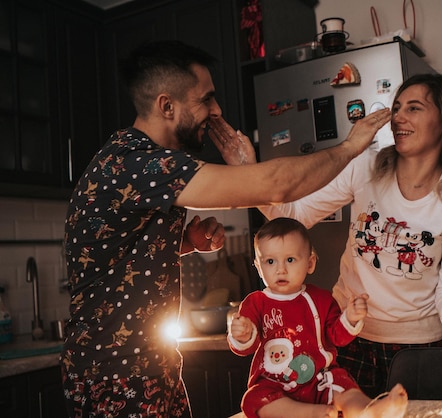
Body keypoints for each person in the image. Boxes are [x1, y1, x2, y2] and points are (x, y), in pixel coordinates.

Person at [61, 39, 391, 417]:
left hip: (147, 365)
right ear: (167, 106)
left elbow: (117, 250)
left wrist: (182, 243)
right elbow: (277, 185)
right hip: (117, 374)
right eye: (206, 99)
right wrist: (349, 148)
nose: (216, 110)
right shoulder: (140, 163)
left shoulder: (134, 161)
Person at [212, 73, 442, 398]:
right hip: (346, 335)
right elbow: (292, 214)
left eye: (414, 108)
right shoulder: (366, 167)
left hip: (419, 347)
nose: (398, 116)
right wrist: (249, 172)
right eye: (397, 107)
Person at [228, 217, 408, 418]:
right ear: (259, 267)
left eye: (290, 260)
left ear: (310, 263)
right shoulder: (255, 302)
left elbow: (336, 337)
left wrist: (351, 317)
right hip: (275, 384)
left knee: (344, 387)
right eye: (270, 261)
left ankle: (371, 410)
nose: (281, 269)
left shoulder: (321, 298)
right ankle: (312, 413)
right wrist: (243, 335)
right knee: (254, 398)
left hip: (320, 378)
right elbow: (245, 348)